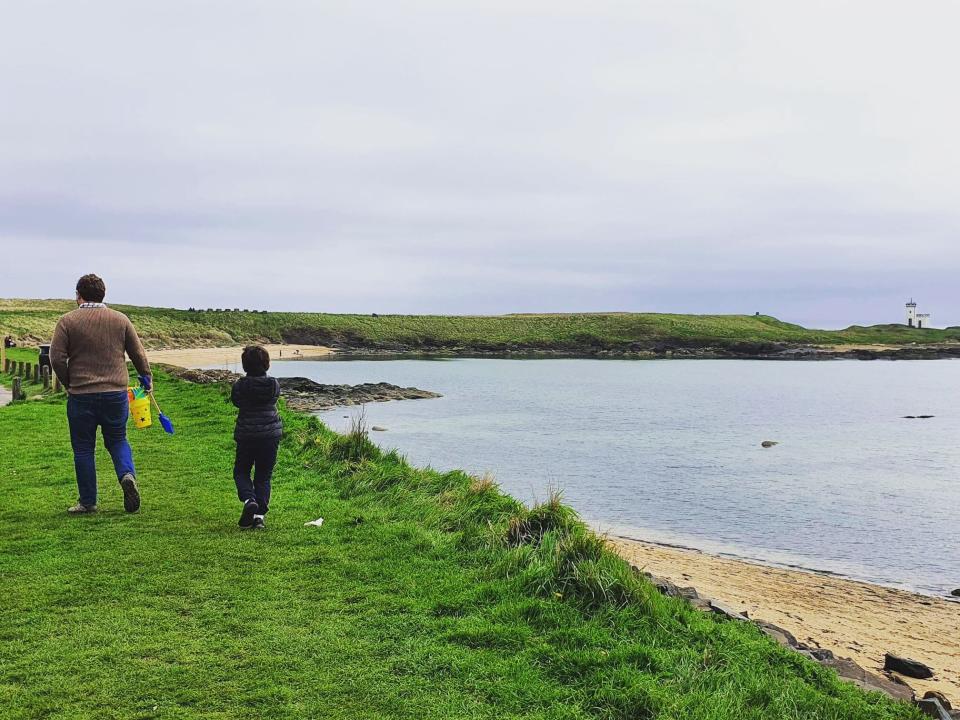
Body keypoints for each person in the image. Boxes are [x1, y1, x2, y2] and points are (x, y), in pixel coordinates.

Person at [50, 274, 151, 514]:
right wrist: (146, 378)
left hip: (81, 395)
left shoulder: (67, 321)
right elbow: (138, 353)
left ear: (78, 295)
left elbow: (56, 357)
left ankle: (88, 501)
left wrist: (69, 383)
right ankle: (126, 475)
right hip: (115, 393)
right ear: (103, 294)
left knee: (83, 448)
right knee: (117, 440)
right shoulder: (120, 319)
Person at [231, 345, 282, 529]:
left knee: (241, 471)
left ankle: (248, 500)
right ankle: (259, 517)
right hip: (270, 435)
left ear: (245, 365)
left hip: (246, 434)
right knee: (263, 476)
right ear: (266, 364)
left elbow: (236, 401)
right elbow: (275, 397)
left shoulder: (240, 386)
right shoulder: (273, 384)